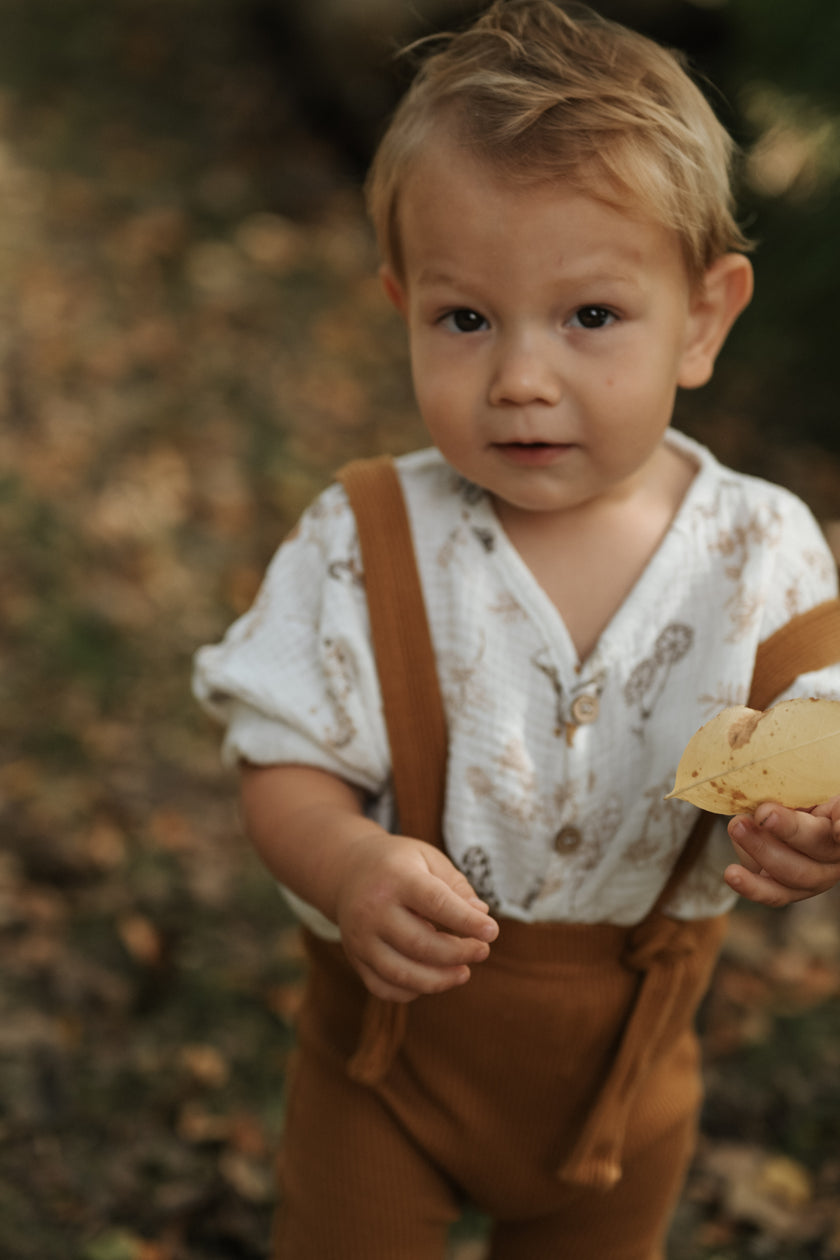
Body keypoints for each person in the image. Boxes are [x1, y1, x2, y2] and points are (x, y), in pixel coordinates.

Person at [193, 2, 840, 1256]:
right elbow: (281, 761)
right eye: (467, 319)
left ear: (703, 318)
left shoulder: (761, 551)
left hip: (625, 1084)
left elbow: (822, 714)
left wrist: (813, 822)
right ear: (403, 306)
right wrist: (345, 866)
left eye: (590, 317)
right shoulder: (366, 536)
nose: (522, 378)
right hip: (386, 1072)